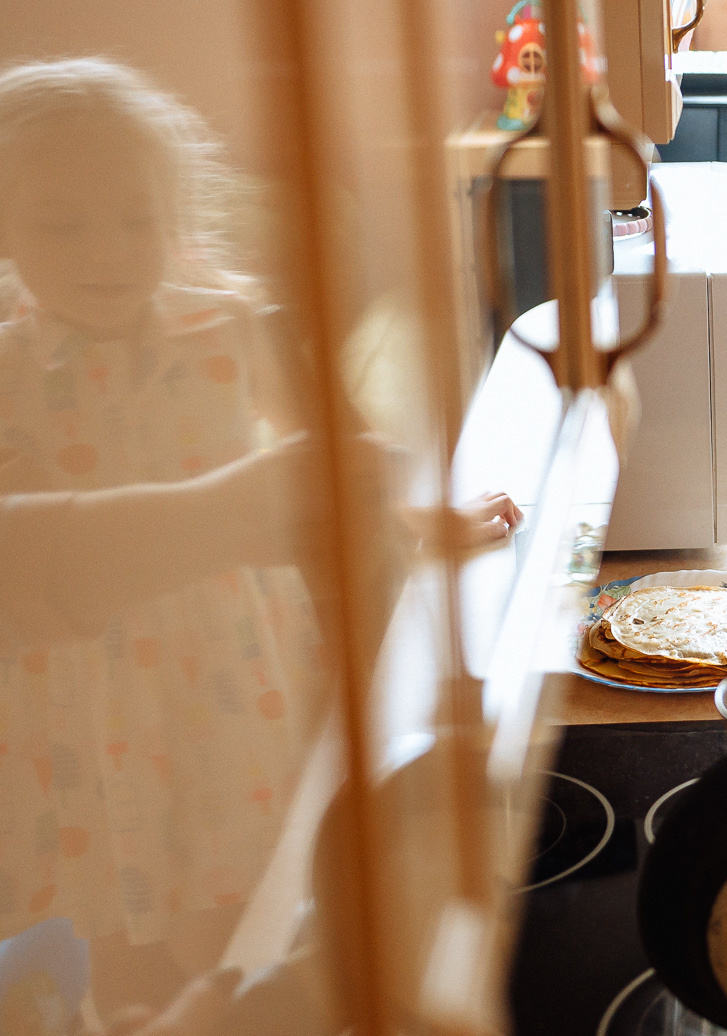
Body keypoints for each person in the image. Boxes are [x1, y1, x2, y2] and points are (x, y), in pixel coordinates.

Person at [0, 59, 517, 1018]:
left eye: (138, 219)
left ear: (177, 217)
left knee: (238, 910)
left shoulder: (231, 329)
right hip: (81, 698)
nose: (106, 252)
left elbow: (331, 467)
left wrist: (412, 522)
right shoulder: (10, 368)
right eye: (60, 226)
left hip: (221, 678)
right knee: (110, 917)